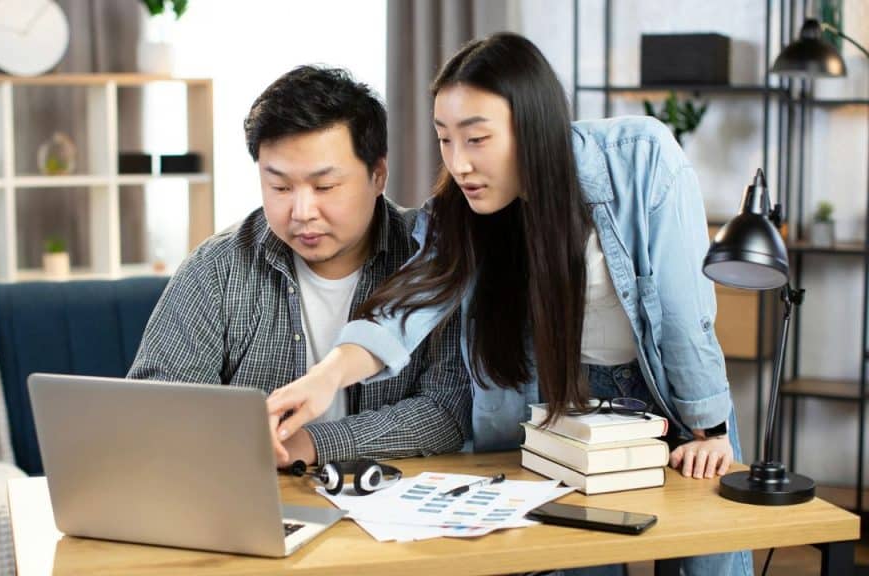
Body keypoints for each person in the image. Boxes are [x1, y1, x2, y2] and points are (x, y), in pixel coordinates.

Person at [266, 34, 752, 575]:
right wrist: (327, 377)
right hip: (570, 404)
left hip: (671, 394)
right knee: (575, 555)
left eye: (476, 139)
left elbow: (683, 313)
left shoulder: (640, 158)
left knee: (706, 549)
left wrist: (707, 428)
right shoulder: (458, 213)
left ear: (532, 125)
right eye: (445, 140)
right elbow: (404, 311)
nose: (460, 163)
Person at [128, 65, 470, 469]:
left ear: (378, 174)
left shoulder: (429, 257)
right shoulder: (217, 269)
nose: (302, 212)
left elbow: (446, 411)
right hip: (256, 508)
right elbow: (155, 406)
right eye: (280, 187)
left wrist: (310, 443)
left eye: (325, 187)